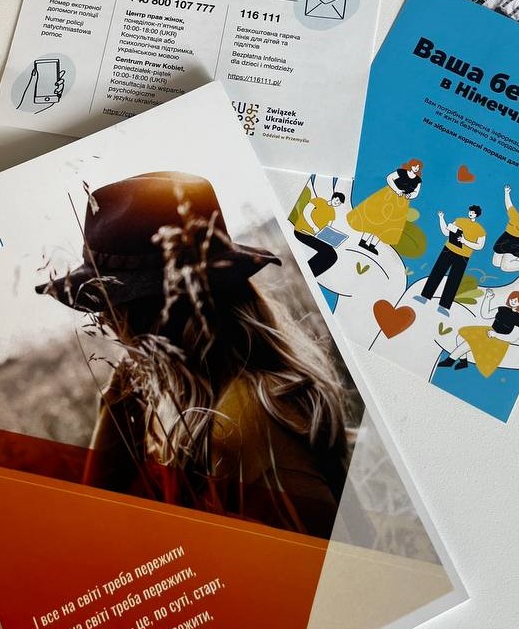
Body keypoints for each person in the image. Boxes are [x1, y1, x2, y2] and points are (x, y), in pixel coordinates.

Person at [36, 172, 350, 538]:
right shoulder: (193, 406)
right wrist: (122, 398)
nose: (104, 320)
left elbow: (330, 560)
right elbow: (102, 515)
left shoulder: (244, 427)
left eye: (109, 307)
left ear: (147, 315)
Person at [414, 205, 486, 315]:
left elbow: (480, 246)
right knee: (437, 272)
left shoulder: (480, 230)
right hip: (448, 250)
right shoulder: (459, 220)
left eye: (473, 212)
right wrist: (441, 218)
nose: (470, 213)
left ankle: (444, 306)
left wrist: (465, 241)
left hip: (463, 256)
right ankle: (424, 296)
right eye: (470, 211)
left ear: (476, 215)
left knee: (454, 279)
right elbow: (446, 232)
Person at [437, 290, 519, 376]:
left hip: (500, 340)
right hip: (490, 332)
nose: (512, 301)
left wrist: (496, 335)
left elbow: (513, 337)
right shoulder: (502, 309)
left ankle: (450, 360)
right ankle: (462, 361)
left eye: (516, 301)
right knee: (461, 337)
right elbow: (485, 314)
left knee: (470, 342)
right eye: (512, 299)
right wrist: (487, 299)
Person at [347, 159, 422, 253]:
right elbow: (389, 178)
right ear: (411, 165)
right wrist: (397, 190)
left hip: (401, 203)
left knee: (387, 224)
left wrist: (410, 195)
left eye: (418, 167)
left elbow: (416, 192)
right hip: (388, 197)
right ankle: (363, 241)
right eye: (415, 166)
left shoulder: (418, 180)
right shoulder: (402, 172)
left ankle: (372, 245)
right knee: (376, 218)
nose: (416, 168)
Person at [293, 188, 347, 278]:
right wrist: (313, 226)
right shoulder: (318, 200)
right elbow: (306, 212)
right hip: (302, 231)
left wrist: (331, 239)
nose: (337, 203)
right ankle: (306, 273)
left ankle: (309, 274)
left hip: (316, 235)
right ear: (333, 197)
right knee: (328, 253)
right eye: (337, 200)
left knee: (332, 255)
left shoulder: (332, 212)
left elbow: (328, 228)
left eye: (339, 203)